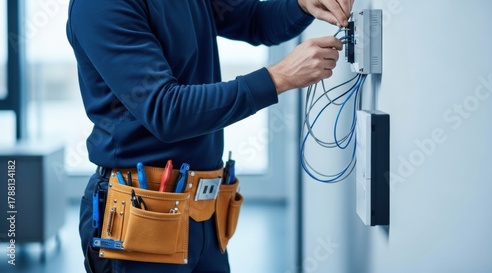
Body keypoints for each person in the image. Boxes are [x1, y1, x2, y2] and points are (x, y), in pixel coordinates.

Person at [66, 0, 354, 272]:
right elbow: (166, 110)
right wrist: (277, 78)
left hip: (205, 211)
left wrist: (301, 4)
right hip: (141, 215)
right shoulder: (100, 5)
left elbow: (254, 20)